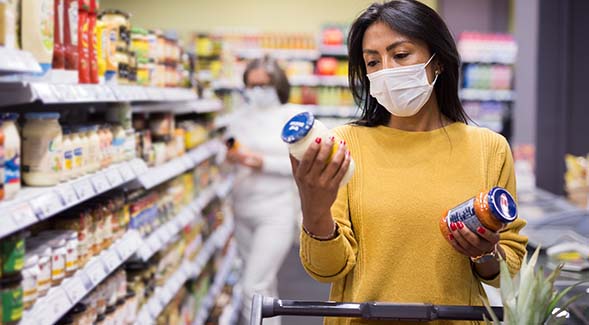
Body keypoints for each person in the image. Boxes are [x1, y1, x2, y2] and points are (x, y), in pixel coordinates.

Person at [290, 1, 528, 324]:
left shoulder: (489, 148)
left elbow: (510, 268)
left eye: (400, 55)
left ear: (438, 61)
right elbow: (327, 269)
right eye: (372, 62)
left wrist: (484, 252)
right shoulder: (344, 145)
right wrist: (314, 211)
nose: (386, 70)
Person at [226, 57, 301, 325]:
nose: (257, 90)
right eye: (252, 84)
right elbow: (230, 156)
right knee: (264, 285)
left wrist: (263, 162)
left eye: (264, 84)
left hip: (276, 211)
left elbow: (301, 165)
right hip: (243, 209)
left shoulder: (292, 116)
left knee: (252, 287)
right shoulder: (238, 119)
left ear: (278, 85)